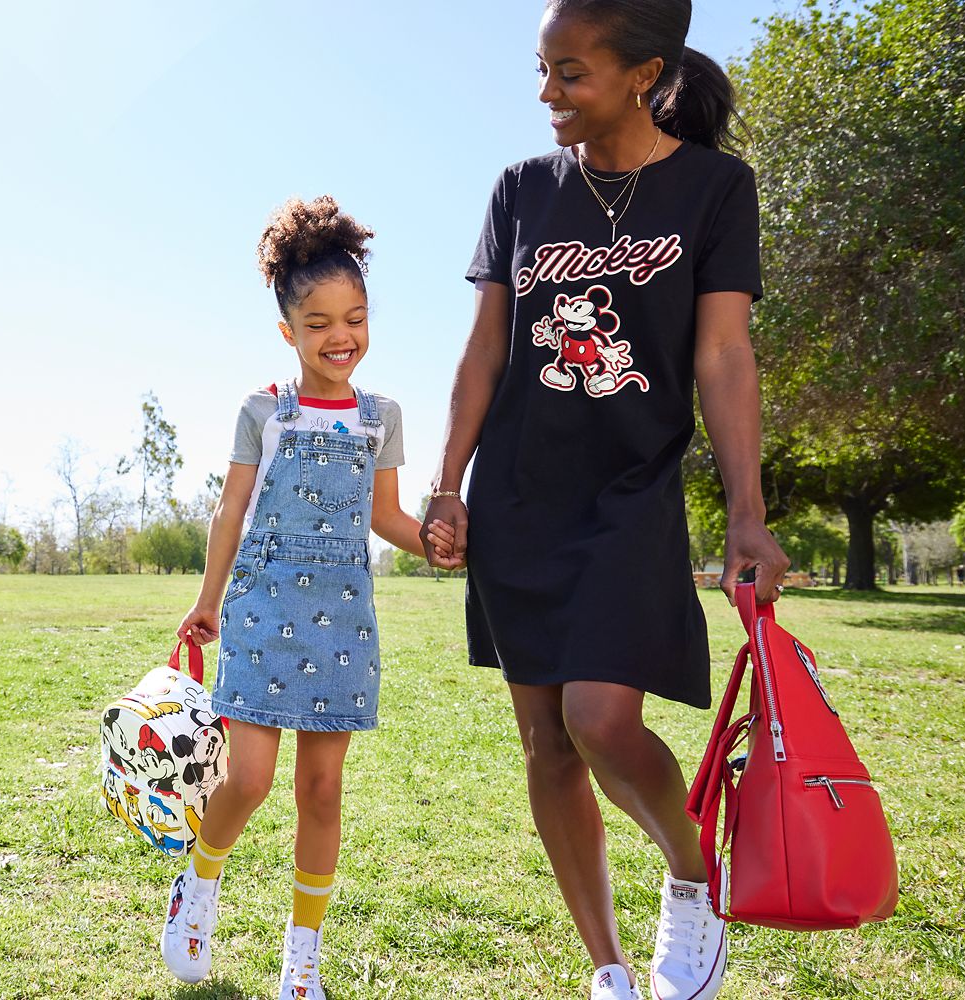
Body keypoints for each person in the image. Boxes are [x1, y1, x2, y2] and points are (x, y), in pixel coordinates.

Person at [420, 3, 789, 999]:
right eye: (542, 70)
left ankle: (687, 870)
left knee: (599, 718)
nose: (547, 93)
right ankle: (609, 968)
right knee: (544, 740)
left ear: (643, 73)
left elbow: (721, 354)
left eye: (570, 73)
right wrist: (447, 483)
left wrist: (746, 512)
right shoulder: (520, 191)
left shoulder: (715, 189)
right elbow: (484, 350)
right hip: (517, 498)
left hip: (630, 495)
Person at [160, 195, 459, 998]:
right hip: (261, 609)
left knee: (321, 790)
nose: (341, 338)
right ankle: (200, 882)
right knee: (249, 780)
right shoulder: (264, 409)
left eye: (355, 318)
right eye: (320, 322)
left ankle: (303, 957)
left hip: (342, 620)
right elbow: (231, 510)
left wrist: (436, 543)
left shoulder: (381, 416)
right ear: (288, 330)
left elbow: (384, 514)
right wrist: (208, 600)